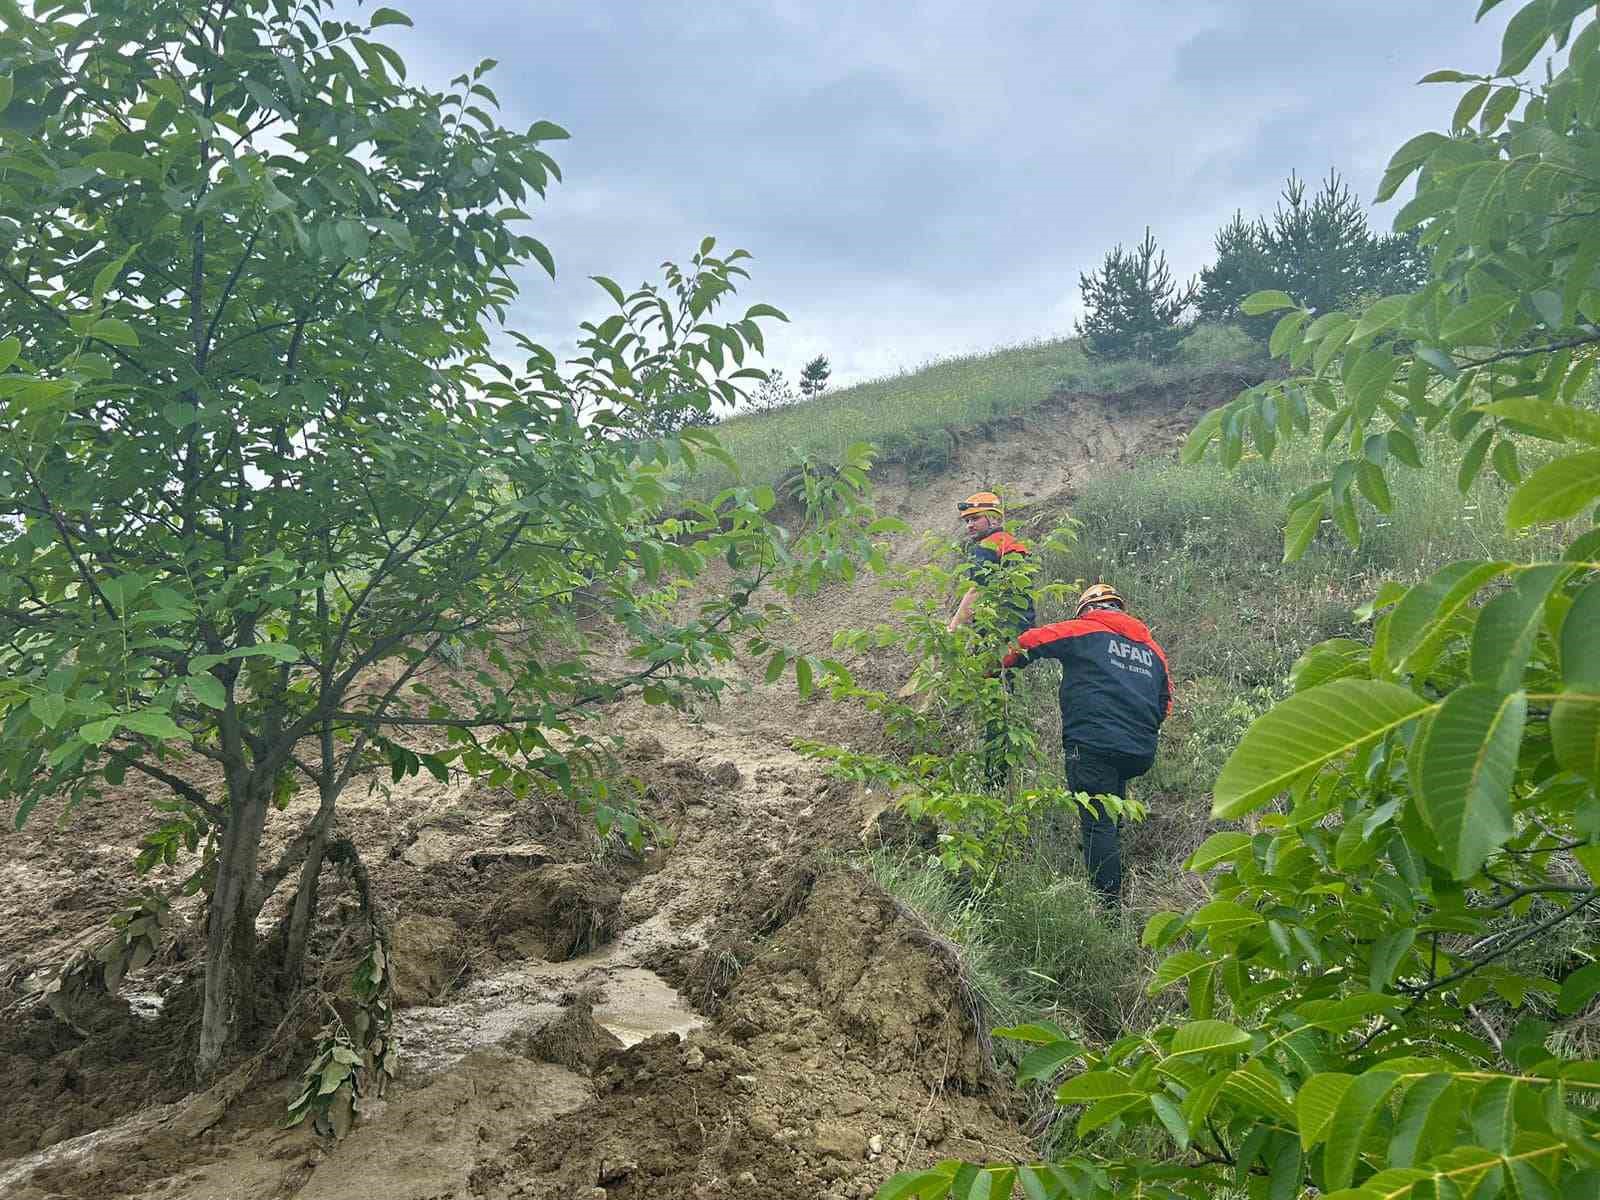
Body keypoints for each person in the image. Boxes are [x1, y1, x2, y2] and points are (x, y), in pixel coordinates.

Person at [1001, 582, 1170, 905]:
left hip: (1093, 743)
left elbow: (1030, 641)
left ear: (1089, 609)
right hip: (1138, 749)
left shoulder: (1086, 629)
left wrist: (997, 666)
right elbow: (1166, 704)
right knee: (1111, 814)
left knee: (1098, 825)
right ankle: (1112, 878)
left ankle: (1107, 910)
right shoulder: (1153, 651)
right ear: (1118, 607)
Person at [947, 491, 1036, 786]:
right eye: (967, 521)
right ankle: (1006, 775)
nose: (970, 526)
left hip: (996, 638)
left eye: (975, 519)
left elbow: (976, 592)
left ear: (994, 519)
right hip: (1019, 636)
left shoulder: (986, 547)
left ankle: (994, 780)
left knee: (994, 710)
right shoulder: (1014, 546)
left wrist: (953, 629)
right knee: (1007, 700)